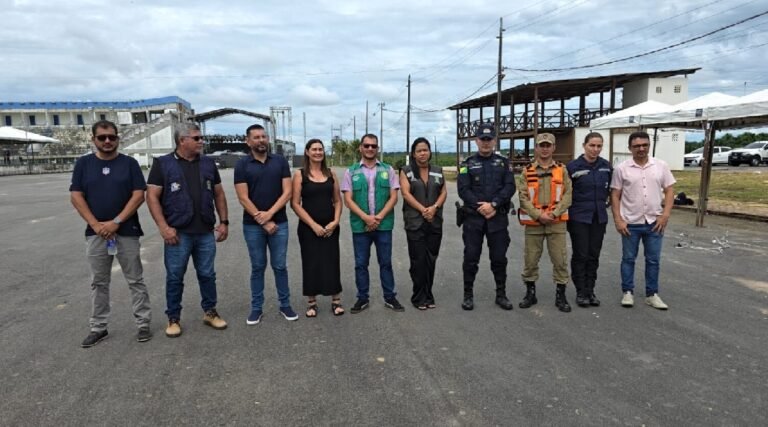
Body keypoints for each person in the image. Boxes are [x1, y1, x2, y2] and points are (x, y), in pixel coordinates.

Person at [70, 120, 151, 347]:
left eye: (111, 137)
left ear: (118, 138)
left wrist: (116, 222)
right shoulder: (84, 164)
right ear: (93, 139)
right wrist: (96, 225)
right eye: (102, 137)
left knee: (135, 280)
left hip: (126, 231)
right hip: (96, 234)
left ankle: (143, 323)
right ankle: (99, 327)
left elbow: (138, 195)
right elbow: (76, 196)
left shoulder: (129, 164)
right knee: (99, 282)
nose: (107, 141)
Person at [146, 123, 229, 338]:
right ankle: (173, 318)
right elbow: (152, 197)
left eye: (201, 137)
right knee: (175, 276)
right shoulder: (162, 164)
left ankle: (210, 312)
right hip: (177, 233)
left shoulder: (209, 164)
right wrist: (164, 228)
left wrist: (224, 222)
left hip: (204, 231)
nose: (201, 141)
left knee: (207, 274)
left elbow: (219, 194)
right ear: (182, 140)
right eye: (197, 138)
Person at [235, 124, 296, 324]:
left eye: (264, 136)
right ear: (248, 141)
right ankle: (256, 308)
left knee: (280, 266)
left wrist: (269, 214)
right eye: (256, 137)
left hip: (279, 223)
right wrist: (262, 220)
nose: (261, 140)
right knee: (258, 266)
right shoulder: (242, 165)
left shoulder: (279, 162)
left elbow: (287, 192)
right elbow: (243, 197)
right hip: (252, 226)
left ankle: (285, 305)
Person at [610, 131, 675, 310]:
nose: (641, 148)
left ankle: (651, 294)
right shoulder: (621, 168)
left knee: (653, 260)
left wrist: (665, 215)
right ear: (630, 148)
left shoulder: (660, 166)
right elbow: (615, 194)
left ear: (649, 146)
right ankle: (627, 292)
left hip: (655, 222)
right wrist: (618, 219)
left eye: (644, 145)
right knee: (628, 258)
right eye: (637, 146)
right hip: (630, 221)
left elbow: (669, 189)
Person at [341, 133, 404, 313]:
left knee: (385, 262)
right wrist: (366, 218)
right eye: (366, 146)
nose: (370, 149)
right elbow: (348, 200)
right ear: (360, 148)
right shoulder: (351, 171)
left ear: (378, 149)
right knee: (361, 264)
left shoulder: (388, 170)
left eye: (373, 146)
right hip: (360, 226)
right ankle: (362, 298)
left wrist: (378, 217)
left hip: (383, 225)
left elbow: (393, 197)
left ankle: (390, 297)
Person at [457, 123, 516, 311]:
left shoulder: (503, 163)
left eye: (489, 139)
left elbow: (509, 186)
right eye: (482, 139)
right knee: (471, 258)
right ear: (476, 141)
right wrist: (481, 207)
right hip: (474, 219)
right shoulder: (467, 164)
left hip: (497, 218)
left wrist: (494, 204)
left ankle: (501, 294)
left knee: (499, 258)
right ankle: (468, 295)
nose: (485, 143)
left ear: (494, 141)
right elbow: (463, 190)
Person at [517, 133, 573, 313]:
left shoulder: (562, 170)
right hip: (534, 224)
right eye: (541, 145)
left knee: (560, 260)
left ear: (554, 148)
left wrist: (555, 213)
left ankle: (561, 295)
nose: (545, 148)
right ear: (536, 147)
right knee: (531, 260)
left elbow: (568, 195)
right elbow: (523, 197)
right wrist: (538, 215)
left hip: (556, 223)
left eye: (548, 145)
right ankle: (530, 293)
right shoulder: (527, 170)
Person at [290, 139, 344, 317]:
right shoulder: (299, 175)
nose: (318, 152)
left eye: (320, 149)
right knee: (311, 262)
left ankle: (336, 301)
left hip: (330, 226)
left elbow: (337, 200)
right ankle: (311, 303)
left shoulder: (331, 174)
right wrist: (313, 225)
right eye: (314, 149)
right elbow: (295, 204)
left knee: (331, 261)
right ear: (307, 152)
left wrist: (335, 221)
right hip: (308, 228)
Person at [399, 137, 447, 310]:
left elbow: (443, 192)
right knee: (418, 260)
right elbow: (405, 194)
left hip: (434, 222)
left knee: (430, 259)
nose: (422, 153)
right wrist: (423, 210)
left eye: (425, 149)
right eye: (419, 150)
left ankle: (428, 294)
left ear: (430, 151)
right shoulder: (406, 171)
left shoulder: (437, 170)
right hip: (415, 223)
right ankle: (418, 296)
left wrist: (434, 208)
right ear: (413, 153)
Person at [566, 132, 613, 307]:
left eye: (599, 146)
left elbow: (612, 190)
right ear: (584, 145)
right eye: (592, 145)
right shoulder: (573, 167)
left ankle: (590, 290)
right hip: (579, 217)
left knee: (594, 255)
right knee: (581, 254)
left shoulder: (606, 166)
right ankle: (581, 291)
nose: (595, 149)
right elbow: (565, 192)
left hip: (599, 218)